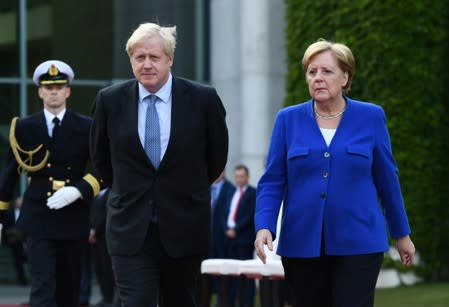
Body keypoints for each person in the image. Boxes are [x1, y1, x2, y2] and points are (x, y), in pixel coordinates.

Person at [254, 39, 415, 307]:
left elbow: (388, 179)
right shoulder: (287, 119)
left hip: (359, 242)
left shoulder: (371, 117)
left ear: (345, 77)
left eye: (326, 71)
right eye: (312, 71)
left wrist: (402, 234)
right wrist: (264, 226)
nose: (318, 78)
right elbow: (272, 180)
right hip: (301, 244)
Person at [89, 22, 228, 307]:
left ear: (170, 59)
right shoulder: (110, 101)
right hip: (130, 228)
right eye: (140, 57)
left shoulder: (202, 100)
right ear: (131, 61)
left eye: (154, 57)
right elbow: (100, 160)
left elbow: (216, 159)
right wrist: (130, 190)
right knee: (137, 301)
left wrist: (185, 190)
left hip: (184, 227)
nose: (147, 64)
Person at [0, 59, 101, 307]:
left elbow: (102, 168)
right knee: (42, 287)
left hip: (73, 216)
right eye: (48, 87)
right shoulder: (24, 127)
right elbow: (10, 174)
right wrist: (1, 215)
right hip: (38, 217)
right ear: (40, 91)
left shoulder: (87, 126)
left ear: (67, 90)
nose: (53, 91)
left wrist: (79, 190)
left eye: (59, 87)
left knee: (70, 290)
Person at [225, 164, 256, 307]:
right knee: (232, 275)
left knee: (245, 275)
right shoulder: (233, 192)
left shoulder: (252, 193)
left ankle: (246, 303)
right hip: (230, 239)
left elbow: (250, 215)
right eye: (237, 176)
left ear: (247, 177)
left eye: (241, 176)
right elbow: (228, 212)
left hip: (244, 239)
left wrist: (236, 229)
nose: (239, 179)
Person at [89, 188, 121, 307]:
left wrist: (95, 231)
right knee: (100, 269)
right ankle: (106, 297)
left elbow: (105, 215)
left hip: (106, 238)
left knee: (109, 270)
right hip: (97, 240)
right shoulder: (96, 195)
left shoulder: (112, 192)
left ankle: (112, 299)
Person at [2, 196, 28, 285]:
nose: (19, 204)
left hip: (27, 241)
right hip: (15, 241)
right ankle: (22, 280)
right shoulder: (9, 214)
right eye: (18, 202)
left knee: (29, 259)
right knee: (18, 261)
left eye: (21, 203)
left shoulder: (27, 213)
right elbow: (6, 226)